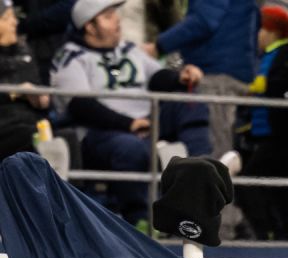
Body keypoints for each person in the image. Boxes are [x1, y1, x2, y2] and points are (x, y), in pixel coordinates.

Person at [51, 0, 211, 231]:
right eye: (107, 16)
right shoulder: (70, 57)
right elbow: (81, 105)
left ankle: (200, 172)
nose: (117, 20)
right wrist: (129, 124)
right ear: (89, 26)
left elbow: (156, 77)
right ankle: (143, 220)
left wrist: (180, 77)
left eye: (115, 14)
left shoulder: (128, 48)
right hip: (101, 134)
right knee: (130, 148)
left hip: (146, 122)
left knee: (189, 101)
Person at [143, 0, 258, 161]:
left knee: (215, 151)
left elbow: (203, 21)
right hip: (230, 69)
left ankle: (211, 181)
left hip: (216, 73)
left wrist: (158, 46)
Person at [238, 5, 288, 240]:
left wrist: (247, 89)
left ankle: (267, 231)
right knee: (274, 184)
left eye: (259, 30)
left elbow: (274, 85)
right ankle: (278, 231)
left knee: (249, 182)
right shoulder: (267, 56)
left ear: (271, 31)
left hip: (276, 133)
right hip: (264, 132)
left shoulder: (284, 53)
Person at [0, 0, 50, 160]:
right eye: (7, 18)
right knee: (35, 139)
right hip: (5, 126)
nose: (15, 22)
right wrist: (15, 92)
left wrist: (41, 100)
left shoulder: (25, 52)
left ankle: (68, 186)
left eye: (14, 17)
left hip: (32, 122)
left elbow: (36, 85)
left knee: (67, 137)